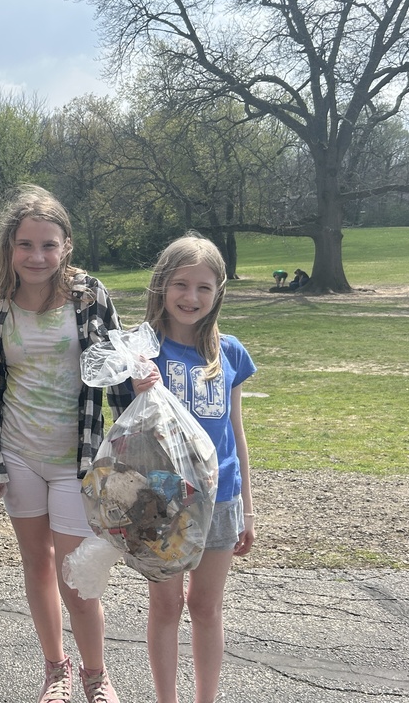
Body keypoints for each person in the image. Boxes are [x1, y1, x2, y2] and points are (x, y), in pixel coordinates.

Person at [0, 186, 132, 703]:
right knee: (37, 565)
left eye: (48, 245)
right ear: (10, 248)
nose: (37, 256)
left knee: (76, 575)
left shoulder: (89, 295)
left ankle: (96, 674)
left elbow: (117, 369)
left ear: (66, 245)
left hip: (78, 459)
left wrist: (135, 421)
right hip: (19, 454)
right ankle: (55, 670)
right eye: (26, 245)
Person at [133, 233, 257, 703]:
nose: (191, 297)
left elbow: (236, 434)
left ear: (218, 292)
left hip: (221, 498)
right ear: (161, 286)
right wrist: (135, 382)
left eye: (204, 287)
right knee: (165, 607)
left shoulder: (230, 353)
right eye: (181, 285)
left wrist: (248, 508)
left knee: (206, 608)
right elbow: (127, 432)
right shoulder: (143, 352)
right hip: (161, 502)